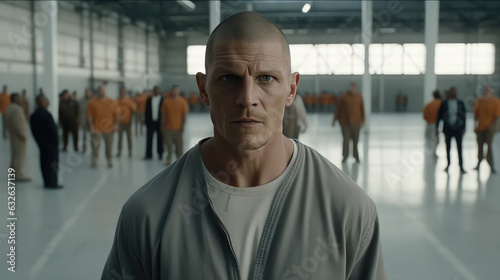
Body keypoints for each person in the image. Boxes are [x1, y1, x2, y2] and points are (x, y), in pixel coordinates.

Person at [102, 12, 386, 280]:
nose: (247, 98)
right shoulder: (147, 215)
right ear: (203, 89)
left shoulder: (348, 210)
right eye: (229, 78)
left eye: (266, 78)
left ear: (291, 88)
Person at [30, 94, 62, 189]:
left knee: (44, 163)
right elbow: (53, 130)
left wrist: (39, 141)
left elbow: (34, 130)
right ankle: (52, 183)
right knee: (52, 164)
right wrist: (56, 142)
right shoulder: (46, 114)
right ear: (42, 102)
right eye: (46, 100)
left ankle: (48, 182)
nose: (48, 101)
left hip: (42, 144)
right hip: (51, 144)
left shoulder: (34, 115)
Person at [87, 85, 119, 168]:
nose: (102, 92)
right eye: (101, 90)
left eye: (104, 90)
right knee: (95, 147)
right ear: (98, 91)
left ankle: (109, 160)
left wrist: (115, 125)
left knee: (109, 146)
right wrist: (91, 126)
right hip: (96, 129)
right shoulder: (93, 102)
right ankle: (94, 160)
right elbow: (90, 115)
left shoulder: (111, 102)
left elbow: (117, 114)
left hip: (109, 129)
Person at [437, 87, 466, 173]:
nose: (454, 93)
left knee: (459, 148)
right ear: (450, 92)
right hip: (447, 129)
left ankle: (461, 166)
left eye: (455, 91)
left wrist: (464, 128)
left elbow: (464, 117)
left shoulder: (460, 103)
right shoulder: (444, 103)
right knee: (448, 147)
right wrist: (437, 128)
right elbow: (439, 116)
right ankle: (448, 164)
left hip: (458, 129)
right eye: (452, 91)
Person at [333, 82, 365, 163]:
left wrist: (362, 120)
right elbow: (338, 109)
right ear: (349, 87)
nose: (352, 88)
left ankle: (356, 156)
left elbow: (362, 109)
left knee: (355, 141)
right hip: (345, 123)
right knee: (346, 140)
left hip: (356, 123)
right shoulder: (344, 97)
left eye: (354, 86)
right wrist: (335, 120)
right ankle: (345, 156)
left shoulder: (359, 96)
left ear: (355, 87)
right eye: (351, 86)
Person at [472, 85, 500, 173]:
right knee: (480, 146)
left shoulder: (495, 101)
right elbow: (475, 114)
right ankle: (479, 162)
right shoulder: (479, 101)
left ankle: (491, 165)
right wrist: (475, 126)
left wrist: (494, 128)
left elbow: (497, 116)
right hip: (480, 128)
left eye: (489, 90)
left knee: (489, 147)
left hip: (489, 128)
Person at [161, 85, 189, 166]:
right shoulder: (166, 101)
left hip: (178, 129)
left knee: (179, 147)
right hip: (168, 128)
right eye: (173, 90)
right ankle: (168, 160)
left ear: (178, 91)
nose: (175, 92)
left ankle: (179, 161)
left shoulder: (182, 101)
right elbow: (163, 115)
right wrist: (162, 126)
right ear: (171, 91)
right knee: (169, 147)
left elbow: (184, 116)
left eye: (176, 90)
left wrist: (182, 127)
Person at [5, 93, 30, 181]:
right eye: (19, 98)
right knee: (19, 156)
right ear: (15, 99)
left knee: (15, 155)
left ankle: (12, 174)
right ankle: (18, 174)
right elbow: (17, 124)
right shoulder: (16, 109)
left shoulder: (10, 107)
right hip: (19, 136)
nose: (21, 99)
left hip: (14, 135)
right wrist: (23, 135)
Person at [144, 85, 164, 160]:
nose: (155, 91)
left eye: (157, 90)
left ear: (158, 91)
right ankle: (148, 154)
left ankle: (160, 154)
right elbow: (146, 112)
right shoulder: (149, 100)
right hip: (150, 122)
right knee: (149, 138)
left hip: (159, 122)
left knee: (160, 138)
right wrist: (146, 122)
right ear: (153, 91)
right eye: (154, 90)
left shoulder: (162, 99)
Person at [116, 87, 137, 158]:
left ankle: (130, 151)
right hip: (120, 123)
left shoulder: (129, 100)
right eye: (121, 91)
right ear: (120, 92)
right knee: (120, 138)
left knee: (129, 137)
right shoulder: (117, 101)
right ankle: (119, 151)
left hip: (128, 123)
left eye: (123, 92)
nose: (122, 93)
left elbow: (134, 109)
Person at [423, 90, 442, 158]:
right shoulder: (441, 103)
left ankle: (432, 152)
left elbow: (424, 116)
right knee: (436, 139)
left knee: (430, 138)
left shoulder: (429, 105)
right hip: (438, 124)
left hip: (430, 124)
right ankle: (434, 152)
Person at [79, 89, 93, 153]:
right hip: (84, 120)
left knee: (93, 136)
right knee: (84, 136)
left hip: (92, 121)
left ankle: (93, 149)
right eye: (87, 92)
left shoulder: (94, 100)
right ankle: (84, 149)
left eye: (89, 92)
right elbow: (78, 111)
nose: (88, 94)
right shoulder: (81, 101)